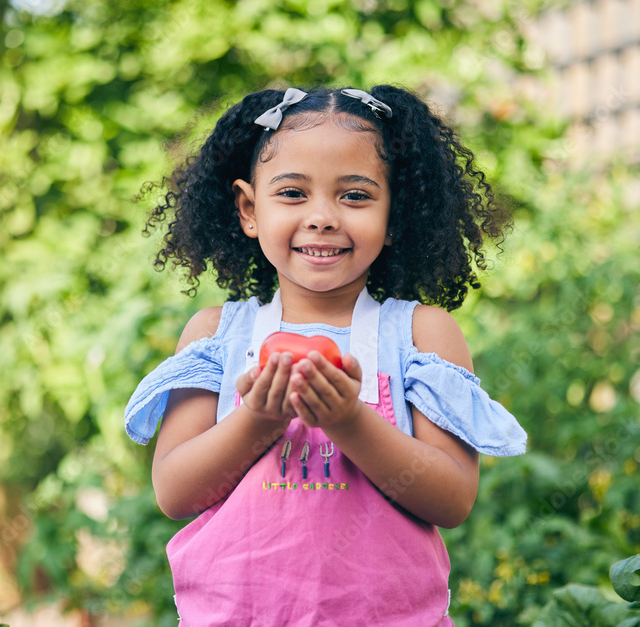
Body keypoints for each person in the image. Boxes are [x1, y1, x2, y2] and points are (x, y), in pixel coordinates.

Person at [124, 85, 527, 626]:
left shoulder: (421, 335)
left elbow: (451, 499)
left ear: (394, 212)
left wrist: (348, 420)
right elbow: (175, 491)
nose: (322, 217)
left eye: (355, 196)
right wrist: (259, 419)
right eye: (292, 193)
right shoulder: (217, 333)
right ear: (249, 209)